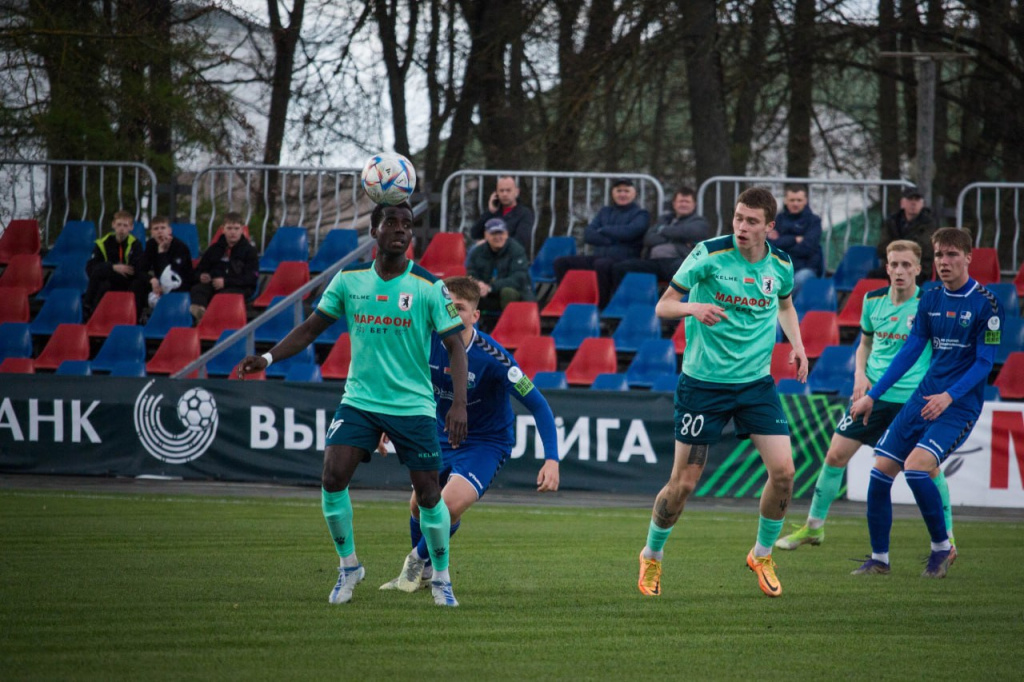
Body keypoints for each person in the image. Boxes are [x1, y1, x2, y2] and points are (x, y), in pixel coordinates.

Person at [238, 202, 469, 607]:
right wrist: (269, 358)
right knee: (332, 476)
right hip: (360, 400)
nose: (400, 230)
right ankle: (349, 567)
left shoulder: (429, 287)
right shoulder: (348, 281)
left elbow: (455, 345)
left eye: (407, 225)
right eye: (391, 223)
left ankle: (442, 578)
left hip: (413, 405)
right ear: (374, 230)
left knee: (429, 495)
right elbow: (311, 328)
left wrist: (459, 405)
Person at [636, 187, 808, 599]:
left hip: (754, 385)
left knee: (784, 473)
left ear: (770, 227)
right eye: (737, 218)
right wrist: (693, 307)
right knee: (683, 485)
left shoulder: (780, 263)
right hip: (703, 384)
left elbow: (784, 305)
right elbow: (663, 306)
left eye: (752, 221)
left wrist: (798, 344)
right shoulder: (708, 254)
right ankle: (651, 555)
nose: (742, 227)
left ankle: (762, 553)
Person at [378, 275, 560, 593]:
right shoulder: (425, 343)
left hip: (485, 444)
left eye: (460, 308)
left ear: (475, 316)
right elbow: (400, 385)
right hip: (440, 436)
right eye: (447, 305)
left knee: (446, 507)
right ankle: (427, 573)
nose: (451, 312)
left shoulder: (494, 357)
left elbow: (540, 406)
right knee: (419, 507)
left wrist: (552, 459)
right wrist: (384, 424)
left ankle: (412, 566)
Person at [775, 240, 956, 552]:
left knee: (927, 468)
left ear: (918, 269)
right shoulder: (873, 300)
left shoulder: (930, 304)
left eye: (905, 265)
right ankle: (813, 528)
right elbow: (865, 344)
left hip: (910, 401)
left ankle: (947, 535)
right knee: (834, 456)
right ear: (886, 267)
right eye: (894, 264)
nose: (899, 271)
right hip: (871, 396)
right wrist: (859, 375)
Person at [848, 227, 1003, 578]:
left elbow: (984, 364)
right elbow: (911, 350)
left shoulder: (987, 304)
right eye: (939, 255)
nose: (944, 262)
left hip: (958, 404)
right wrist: (872, 395)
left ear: (968, 258)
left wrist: (949, 397)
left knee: (916, 468)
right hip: (923, 397)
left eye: (951, 255)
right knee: (879, 472)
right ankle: (880, 559)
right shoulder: (930, 297)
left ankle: (942, 548)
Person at [553, 178, 650, 307]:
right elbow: (588, 234)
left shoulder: (641, 214)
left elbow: (631, 232)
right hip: (600, 256)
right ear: (612, 193)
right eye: (619, 191)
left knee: (602, 265)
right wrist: (613, 239)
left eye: (626, 191)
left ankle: (601, 306)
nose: (622, 194)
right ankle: (566, 302)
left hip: (623, 259)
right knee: (561, 262)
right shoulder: (605, 211)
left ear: (634, 193)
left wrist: (604, 230)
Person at [610, 186, 711, 290]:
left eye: (687, 202)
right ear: (674, 204)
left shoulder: (700, 222)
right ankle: (623, 303)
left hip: (679, 261)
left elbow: (689, 232)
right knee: (621, 267)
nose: (683, 204)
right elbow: (648, 239)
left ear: (694, 205)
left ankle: (673, 304)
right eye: (680, 201)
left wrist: (662, 231)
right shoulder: (664, 219)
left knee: (681, 271)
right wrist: (678, 239)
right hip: (655, 262)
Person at [189, 212, 259, 321]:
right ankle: (200, 313)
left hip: (239, 287)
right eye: (229, 228)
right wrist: (202, 276)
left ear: (242, 230)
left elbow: (251, 278)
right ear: (223, 229)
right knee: (198, 289)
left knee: (223, 296)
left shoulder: (249, 251)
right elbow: (199, 270)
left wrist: (225, 282)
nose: (233, 232)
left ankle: (209, 320)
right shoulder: (214, 249)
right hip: (214, 284)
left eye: (236, 228)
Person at [83, 210, 145, 320]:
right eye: (119, 225)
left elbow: (135, 269)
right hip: (108, 279)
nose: (121, 229)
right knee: (102, 281)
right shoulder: (102, 243)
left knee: (137, 284)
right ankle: (90, 313)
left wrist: (108, 269)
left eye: (125, 225)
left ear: (131, 227)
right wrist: (112, 267)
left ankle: (89, 309)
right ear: (113, 225)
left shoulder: (136, 245)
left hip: (127, 281)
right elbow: (91, 268)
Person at [869, 187, 936, 284]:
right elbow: (882, 248)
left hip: (918, 267)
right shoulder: (891, 222)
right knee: (872, 277)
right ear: (902, 203)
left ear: (922, 204)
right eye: (910, 199)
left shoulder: (929, 224)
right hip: (893, 266)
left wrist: (897, 249)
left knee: (906, 279)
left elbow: (926, 249)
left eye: (917, 200)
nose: (913, 203)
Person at [465, 218, 535, 312]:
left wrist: (491, 287)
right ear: (486, 235)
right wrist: (477, 284)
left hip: (516, 293)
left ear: (506, 234)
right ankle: (463, 326)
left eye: (501, 233)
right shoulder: (477, 252)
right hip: (486, 294)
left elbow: (518, 278)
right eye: (493, 234)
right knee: (465, 293)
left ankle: (510, 324)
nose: (498, 237)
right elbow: (471, 272)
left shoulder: (517, 250)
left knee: (508, 292)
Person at [767, 184, 822, 296]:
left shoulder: (814, 221)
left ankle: (787, 311)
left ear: (805, 201)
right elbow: (771, 246)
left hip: (806, 268)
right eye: (792, 200)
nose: (795, 203)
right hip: (781, 268)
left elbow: (808, 248)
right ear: (786, 201)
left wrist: (782, 243)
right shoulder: (778, 220)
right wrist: (795, 239)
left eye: (799, 200)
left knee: (798, 280)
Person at [140, 215, 194, 314]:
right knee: (137, 284)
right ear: (151, 232)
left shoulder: (180, 247)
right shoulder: (150, 245)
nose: (160, 231)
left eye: (163, 228)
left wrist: (161, 252)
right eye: (156, 229)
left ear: (169, 230)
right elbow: (141, 269)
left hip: (179, 283)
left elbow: (172, 277)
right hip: (159, 283)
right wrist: (151, 280)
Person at [470, 176, 536, 253]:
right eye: (501, 191)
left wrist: (492, 243)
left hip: (511, 256)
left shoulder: (524, 213)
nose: (505, 194)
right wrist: (490, 212)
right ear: (496, 193)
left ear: (516, 192)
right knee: (473, 250)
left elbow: (520, 241)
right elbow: (475, 234)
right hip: (489, 256)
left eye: (508, 190)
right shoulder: (493, 212)